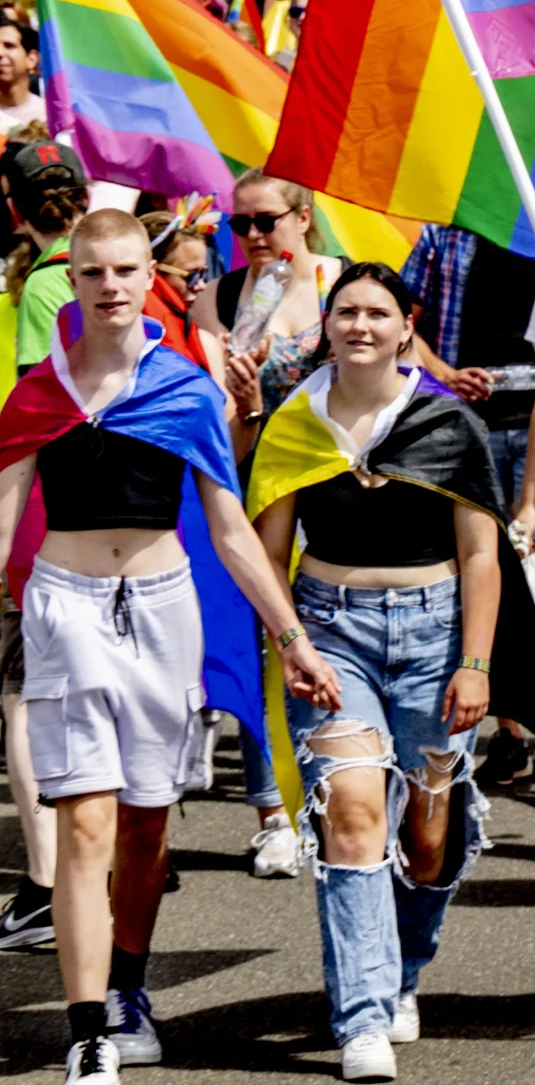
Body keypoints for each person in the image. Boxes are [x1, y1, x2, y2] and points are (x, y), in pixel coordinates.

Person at [0, 215, 331, 1082]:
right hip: (66, 610)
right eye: (91, 272)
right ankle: (85, 1032)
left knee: (146, 827)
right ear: (68, 281)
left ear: (150, 276)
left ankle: (128, 988)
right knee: (86, 825)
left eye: (124, 271)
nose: (109, 286)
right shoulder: (36, 394)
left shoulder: (186, 390)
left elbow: (231, 531)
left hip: (161, 608)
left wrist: (292, 640)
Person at [244, 264, 514, 1082]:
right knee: (354, 813)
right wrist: (291, 642)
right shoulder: (294, 427)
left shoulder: (450, 424)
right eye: (346, 311)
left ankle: (399, 973)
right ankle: (360, 1018)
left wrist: (475, 664)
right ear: (327, 325)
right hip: (330, 633)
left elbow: (481, 553)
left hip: (435, 638)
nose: (360, 324)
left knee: (429, 839)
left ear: (408, 329)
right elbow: (266, 551)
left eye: (378, 313)